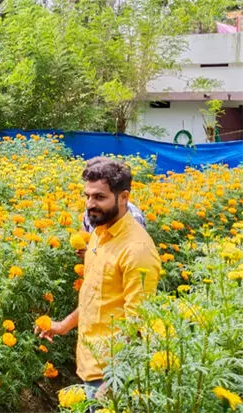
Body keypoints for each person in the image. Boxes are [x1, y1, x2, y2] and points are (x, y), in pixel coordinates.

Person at [35, 157, 161, 398]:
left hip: (112, 378)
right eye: (88, 196)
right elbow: (96, 297)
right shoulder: (99, 234)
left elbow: (138, 326)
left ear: (123, 197)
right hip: (90, 366)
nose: (90, 204)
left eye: (99, 197)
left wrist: (113, 383)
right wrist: (63, 325)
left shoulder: (136, 250)